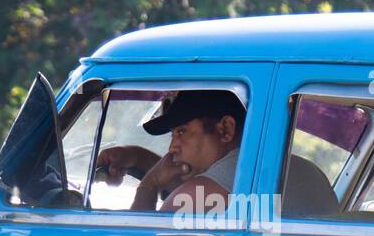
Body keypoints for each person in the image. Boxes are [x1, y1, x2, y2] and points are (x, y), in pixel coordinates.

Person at [95, 89, 338, 216]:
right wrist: (137, 157)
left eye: (181, 132)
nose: (172, 147)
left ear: (225, 129)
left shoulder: (202, 192)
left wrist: (149, 185)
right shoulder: (309, 172)